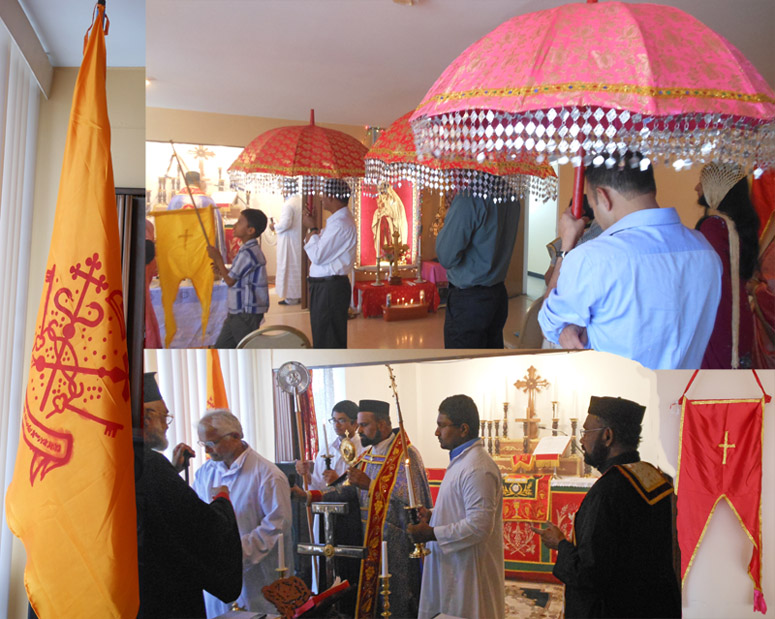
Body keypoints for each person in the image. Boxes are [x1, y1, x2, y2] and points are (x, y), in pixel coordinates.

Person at [538, 152, 722, 369]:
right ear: (652, 189)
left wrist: (566, 246)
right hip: (681, 395)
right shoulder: (706, 251)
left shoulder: (593, 259)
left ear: (603, 197)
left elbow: (549, 323)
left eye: (592, 204)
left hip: (614, 397)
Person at [533, 396, 681, 619]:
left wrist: (560, 544)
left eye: (586, 432)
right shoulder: (657, 476)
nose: (581, 441)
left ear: (607, 435)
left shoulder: (609, 490)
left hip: (616, 608)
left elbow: (589, 573)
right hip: (655, 604)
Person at [296, 399, 432, 618]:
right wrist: (311, 496)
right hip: (366, 542)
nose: (359, 430)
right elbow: (347, 489)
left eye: (364, 425)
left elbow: (411, 504)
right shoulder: (367, 455)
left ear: (384, 425)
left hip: (396, 546)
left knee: (396, 603)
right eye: (358, 424)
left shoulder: (406, 456)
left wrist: (370, 486)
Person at [135, 373, 242, 618]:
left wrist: (172, 472)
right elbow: (200, 527)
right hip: (163, 594)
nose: (166, 425)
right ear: (147, 417)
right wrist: (223, 504)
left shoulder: (119, 458)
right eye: (165, 417)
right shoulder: (150, 464)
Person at [190, 409, 294, 617]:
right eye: (204, 444)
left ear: (236, 437)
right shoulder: (205, 472)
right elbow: (197, 515)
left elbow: (276, 526)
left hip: (258, 578)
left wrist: (235, 553)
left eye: (213, 443)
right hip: (217, 575)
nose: (208, 452)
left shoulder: (267, 475)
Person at [408, 395, 504, 619]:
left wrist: (431, 532)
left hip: (468, 572)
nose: (436, 432)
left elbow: (480, 526)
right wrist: (432, 515)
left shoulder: (477, 468)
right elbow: (460, 509)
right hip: (454, 566)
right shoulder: (463, 461)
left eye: (442, 425)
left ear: (463, 429)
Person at [435, 181, 521, 348]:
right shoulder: (510, 194)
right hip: (498, 295)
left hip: (469, 301)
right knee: (488, 363)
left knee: (463, 366)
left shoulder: (470, 197)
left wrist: (453, 215)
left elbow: (446, 256)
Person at [695, 163, 759, 368]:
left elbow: (710, 283)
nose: (696, 187)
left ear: (716, 188)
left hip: (719, 324)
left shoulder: (713, 226)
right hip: (739, 319)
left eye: (702, 182)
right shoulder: (738, 226)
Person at [302, 178, 357, 348]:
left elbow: (317, 255)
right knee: (323, 334)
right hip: (325, 287)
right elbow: (320, 247)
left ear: (332, 197)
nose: (321, 198)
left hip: (330, 288)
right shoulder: (336, 221)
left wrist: (311, 229)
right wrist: (313, 230)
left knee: (328, 338)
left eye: (324, 194)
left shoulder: (340, 224)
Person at [208, 208, 270, 348]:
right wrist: (222, 270)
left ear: (250, 230)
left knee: (247, 347)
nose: (234, 225)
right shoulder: (247, 250)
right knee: (222, 347)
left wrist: (218, 259)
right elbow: (236, 275)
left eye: (240, 222)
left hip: (245, 313)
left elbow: (230, 281)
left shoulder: (249, 252)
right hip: (237, 311)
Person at [295, 400, 363, 490]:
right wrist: (308, 477)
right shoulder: (326, 450)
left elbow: (363, 488)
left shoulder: (364, 450)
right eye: (334, 420)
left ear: (355, 423)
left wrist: (337, 482)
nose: (336, 425)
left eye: (342, 420)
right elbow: (318, 487)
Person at [271, 179, 302, 305]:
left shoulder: (289, 203)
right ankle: (299, 294)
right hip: (297, 239)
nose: (282, 191)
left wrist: (274, 226)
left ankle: (291, 297)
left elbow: (285, 224)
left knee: (288, 266)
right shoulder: (299, 201)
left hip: (289, 241)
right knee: (296, 267)